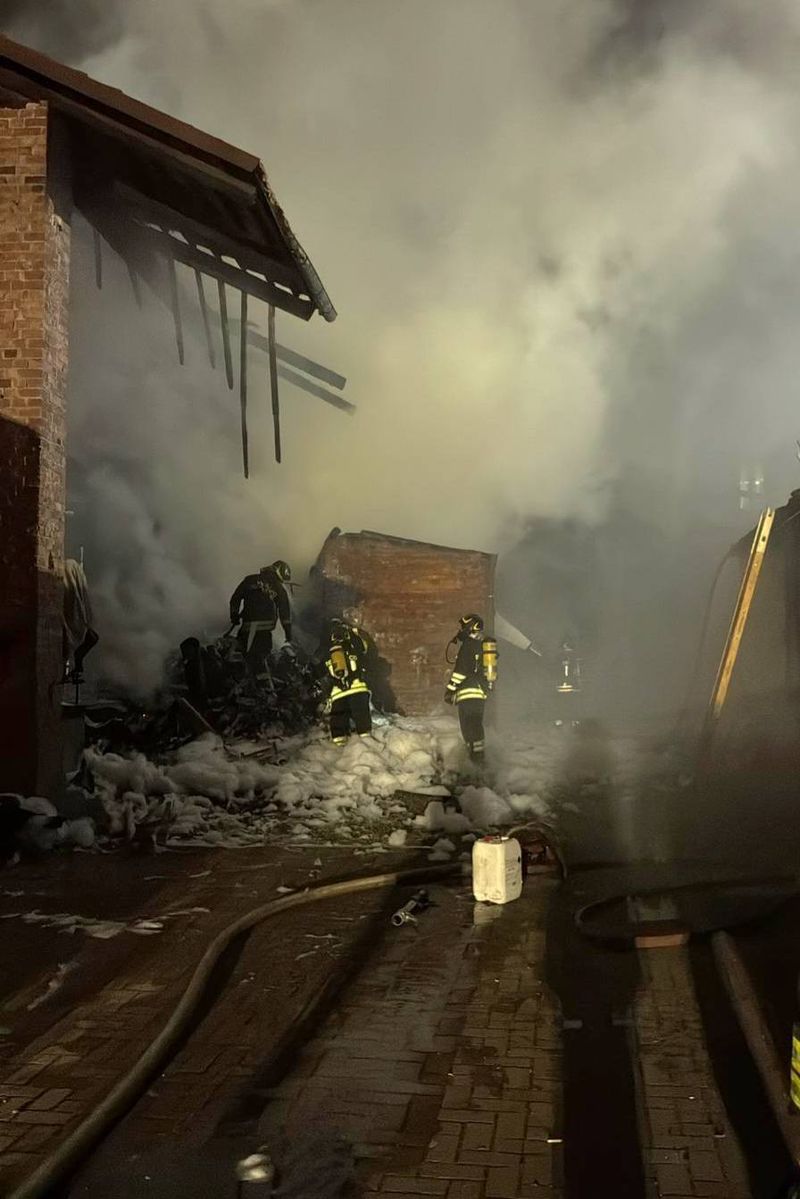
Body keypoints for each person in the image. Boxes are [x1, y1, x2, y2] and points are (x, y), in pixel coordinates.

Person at [445, 613, 497, 763]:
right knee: (476, 727)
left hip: (467, 695)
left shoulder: (468, 645)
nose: (461, 630)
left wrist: (450, 690)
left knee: (469, 729)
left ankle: (475, 762)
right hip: (480, 694)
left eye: (463, 627)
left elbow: (460, 672)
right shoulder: (482, 645)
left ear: (470, 627)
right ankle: (478, 759)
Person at [229, 560, 293, 681]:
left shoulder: (249, 580)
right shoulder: (278, 587)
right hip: (264, 630)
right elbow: (285, 612)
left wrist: (234, 615)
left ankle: (242, 679)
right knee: (260, 658)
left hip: (247, 627)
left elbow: (235, 598)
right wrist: (288, 632)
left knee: (244, 652)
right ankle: (262, 685)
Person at [324, 618, 372, 745]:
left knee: (338, 722)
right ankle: (367, 746)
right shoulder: (353, 643)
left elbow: (319, 667)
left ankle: (339, 748)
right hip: (357, 688)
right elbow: (365, 649)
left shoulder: (327, 648)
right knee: (362, 719)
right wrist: (354, 632)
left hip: (338, 693)